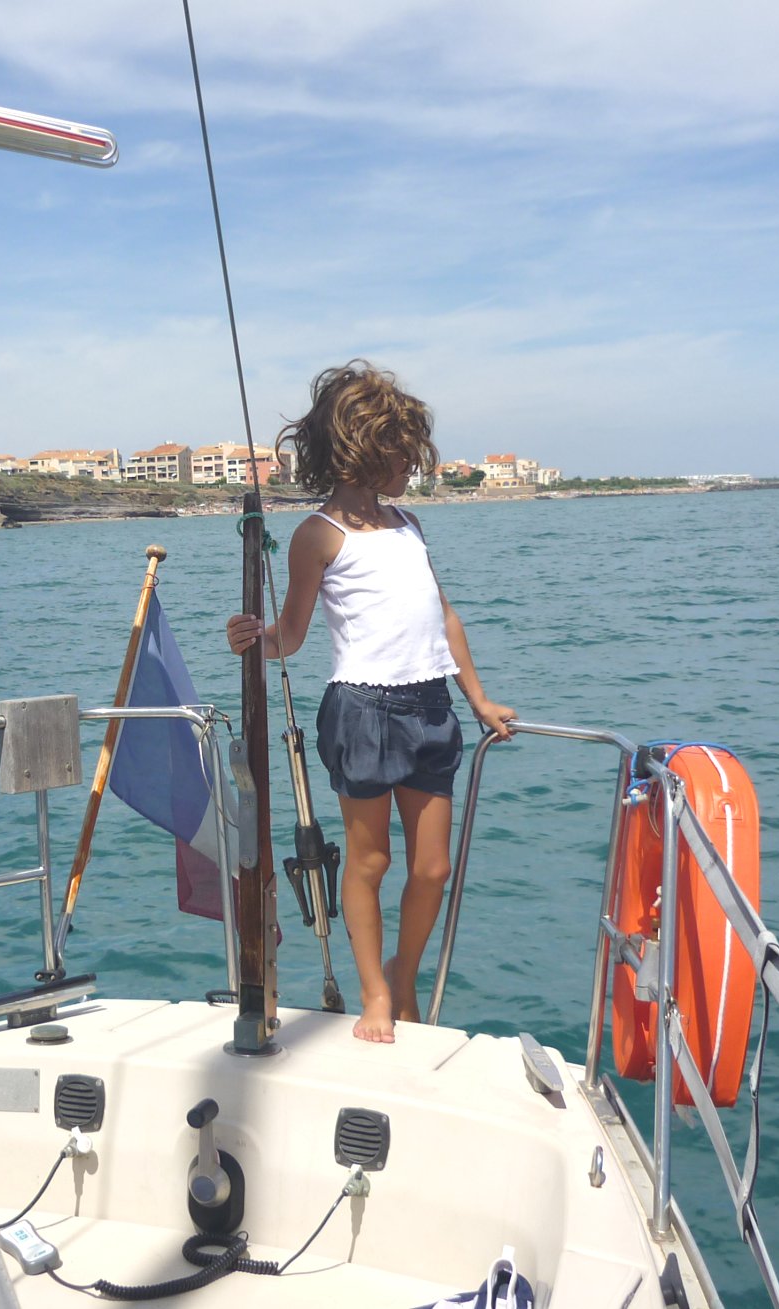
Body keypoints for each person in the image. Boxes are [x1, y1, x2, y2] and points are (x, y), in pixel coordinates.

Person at [226, 361, 515, 1043]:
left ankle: (402, 973)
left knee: (433, 867)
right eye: (402, 452)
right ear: (362, 449)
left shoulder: (409, 524)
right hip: (362, 711)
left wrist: (477, 699)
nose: (411, 464)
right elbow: (290, 636)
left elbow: (444, 616)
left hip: (432, 706)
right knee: (370, 861)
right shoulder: (318, 534)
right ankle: (375, 993)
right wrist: (253, 639)